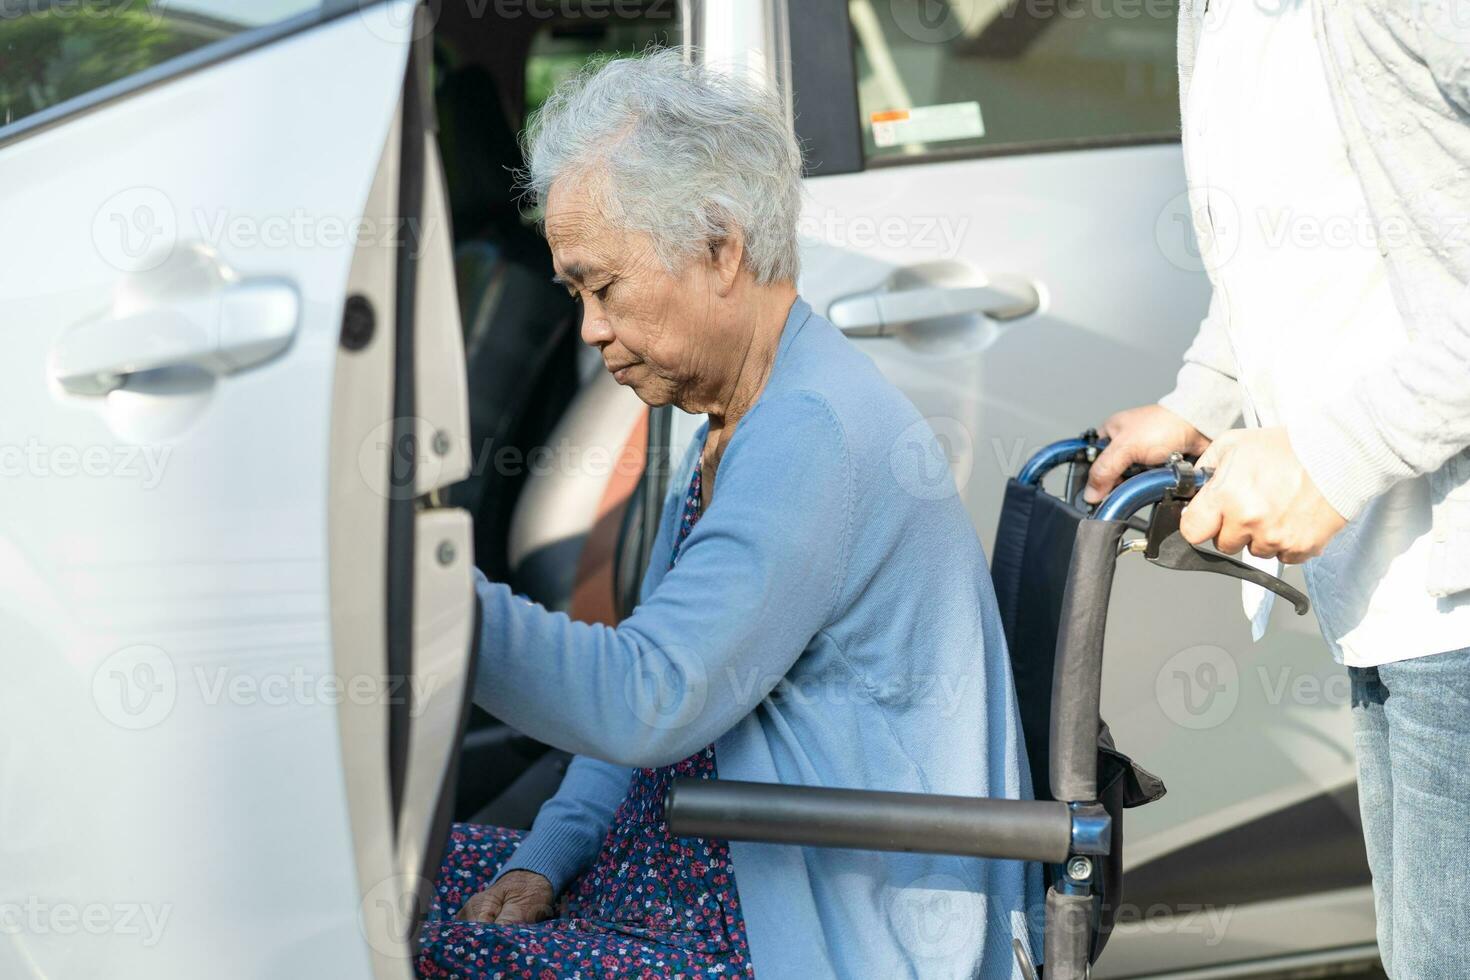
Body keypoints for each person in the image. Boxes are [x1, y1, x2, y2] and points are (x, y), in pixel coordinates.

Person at [415, 50, 1042, 980]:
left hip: (816, 920)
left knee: (389, 932)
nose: (589, 327)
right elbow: (652, 691)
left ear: (720, 248)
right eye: (576, 294)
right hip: (703, 869)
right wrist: (545, 854)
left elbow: (646, 699)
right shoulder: (741, 418)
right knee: (387, 891)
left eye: (604, 286)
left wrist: (420, 593)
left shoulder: (809, 435)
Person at [1083, 2, 1470, 976]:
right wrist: (1203, 399)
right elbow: (1280, 253)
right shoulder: (1211, 17)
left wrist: (1331, 456)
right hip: (1388, 590)